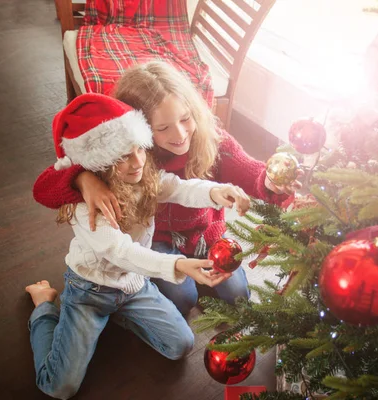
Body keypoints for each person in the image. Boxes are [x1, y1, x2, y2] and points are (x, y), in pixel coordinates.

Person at [32, 61, 302, 315]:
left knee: (238, 294)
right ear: (139, 129)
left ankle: (198, 280)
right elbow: (44, 186)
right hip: (159, 242)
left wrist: (269, 181)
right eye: (163, 128)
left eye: (185, 119)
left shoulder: (211, 139)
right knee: (183, 299)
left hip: (206, 236)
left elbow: (249, 170)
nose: (181, 135)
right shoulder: (131, 156)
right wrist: (82, 178)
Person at [26, 93, 250, 399]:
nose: (138, 162)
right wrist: (177, 265)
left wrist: (218, 192)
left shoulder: (144, 177)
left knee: (180, 345)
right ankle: (43, 307)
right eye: (123, 156)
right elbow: (122, 252)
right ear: (99, 162)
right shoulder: (86, 206)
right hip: (89, 293)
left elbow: (181, 188)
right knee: (59, 386)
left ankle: (117, 316)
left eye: (139, 149)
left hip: (132, 288)